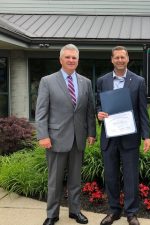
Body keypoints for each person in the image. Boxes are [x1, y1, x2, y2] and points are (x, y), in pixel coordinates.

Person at [35, 44, 96, 225]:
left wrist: (91, 132)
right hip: (55, 139)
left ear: (78, 60)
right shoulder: (48, 81)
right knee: (54, 180)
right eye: (67, 57)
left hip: (78, 139)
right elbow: (41, 112)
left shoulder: (86, 82)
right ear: (61, 59)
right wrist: (42, 135)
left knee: (76, 179)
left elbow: (89, 111)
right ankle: (52, 214)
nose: (71, 60)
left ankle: (75, 211)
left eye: (74, 58)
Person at [96, 46, 150, 225]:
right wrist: (99, 114)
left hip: (130, 137)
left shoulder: (138, 81)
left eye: (123, 57)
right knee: (110, 176)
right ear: (111, 60)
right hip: (110, 137)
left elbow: (143, 111)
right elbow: (98, 104)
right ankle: (113, 211)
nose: (120, 60)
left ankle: (131, 213)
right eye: (117, 57)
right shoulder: (102, 81)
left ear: (128, 59)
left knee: (131, 177)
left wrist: (147, 136)